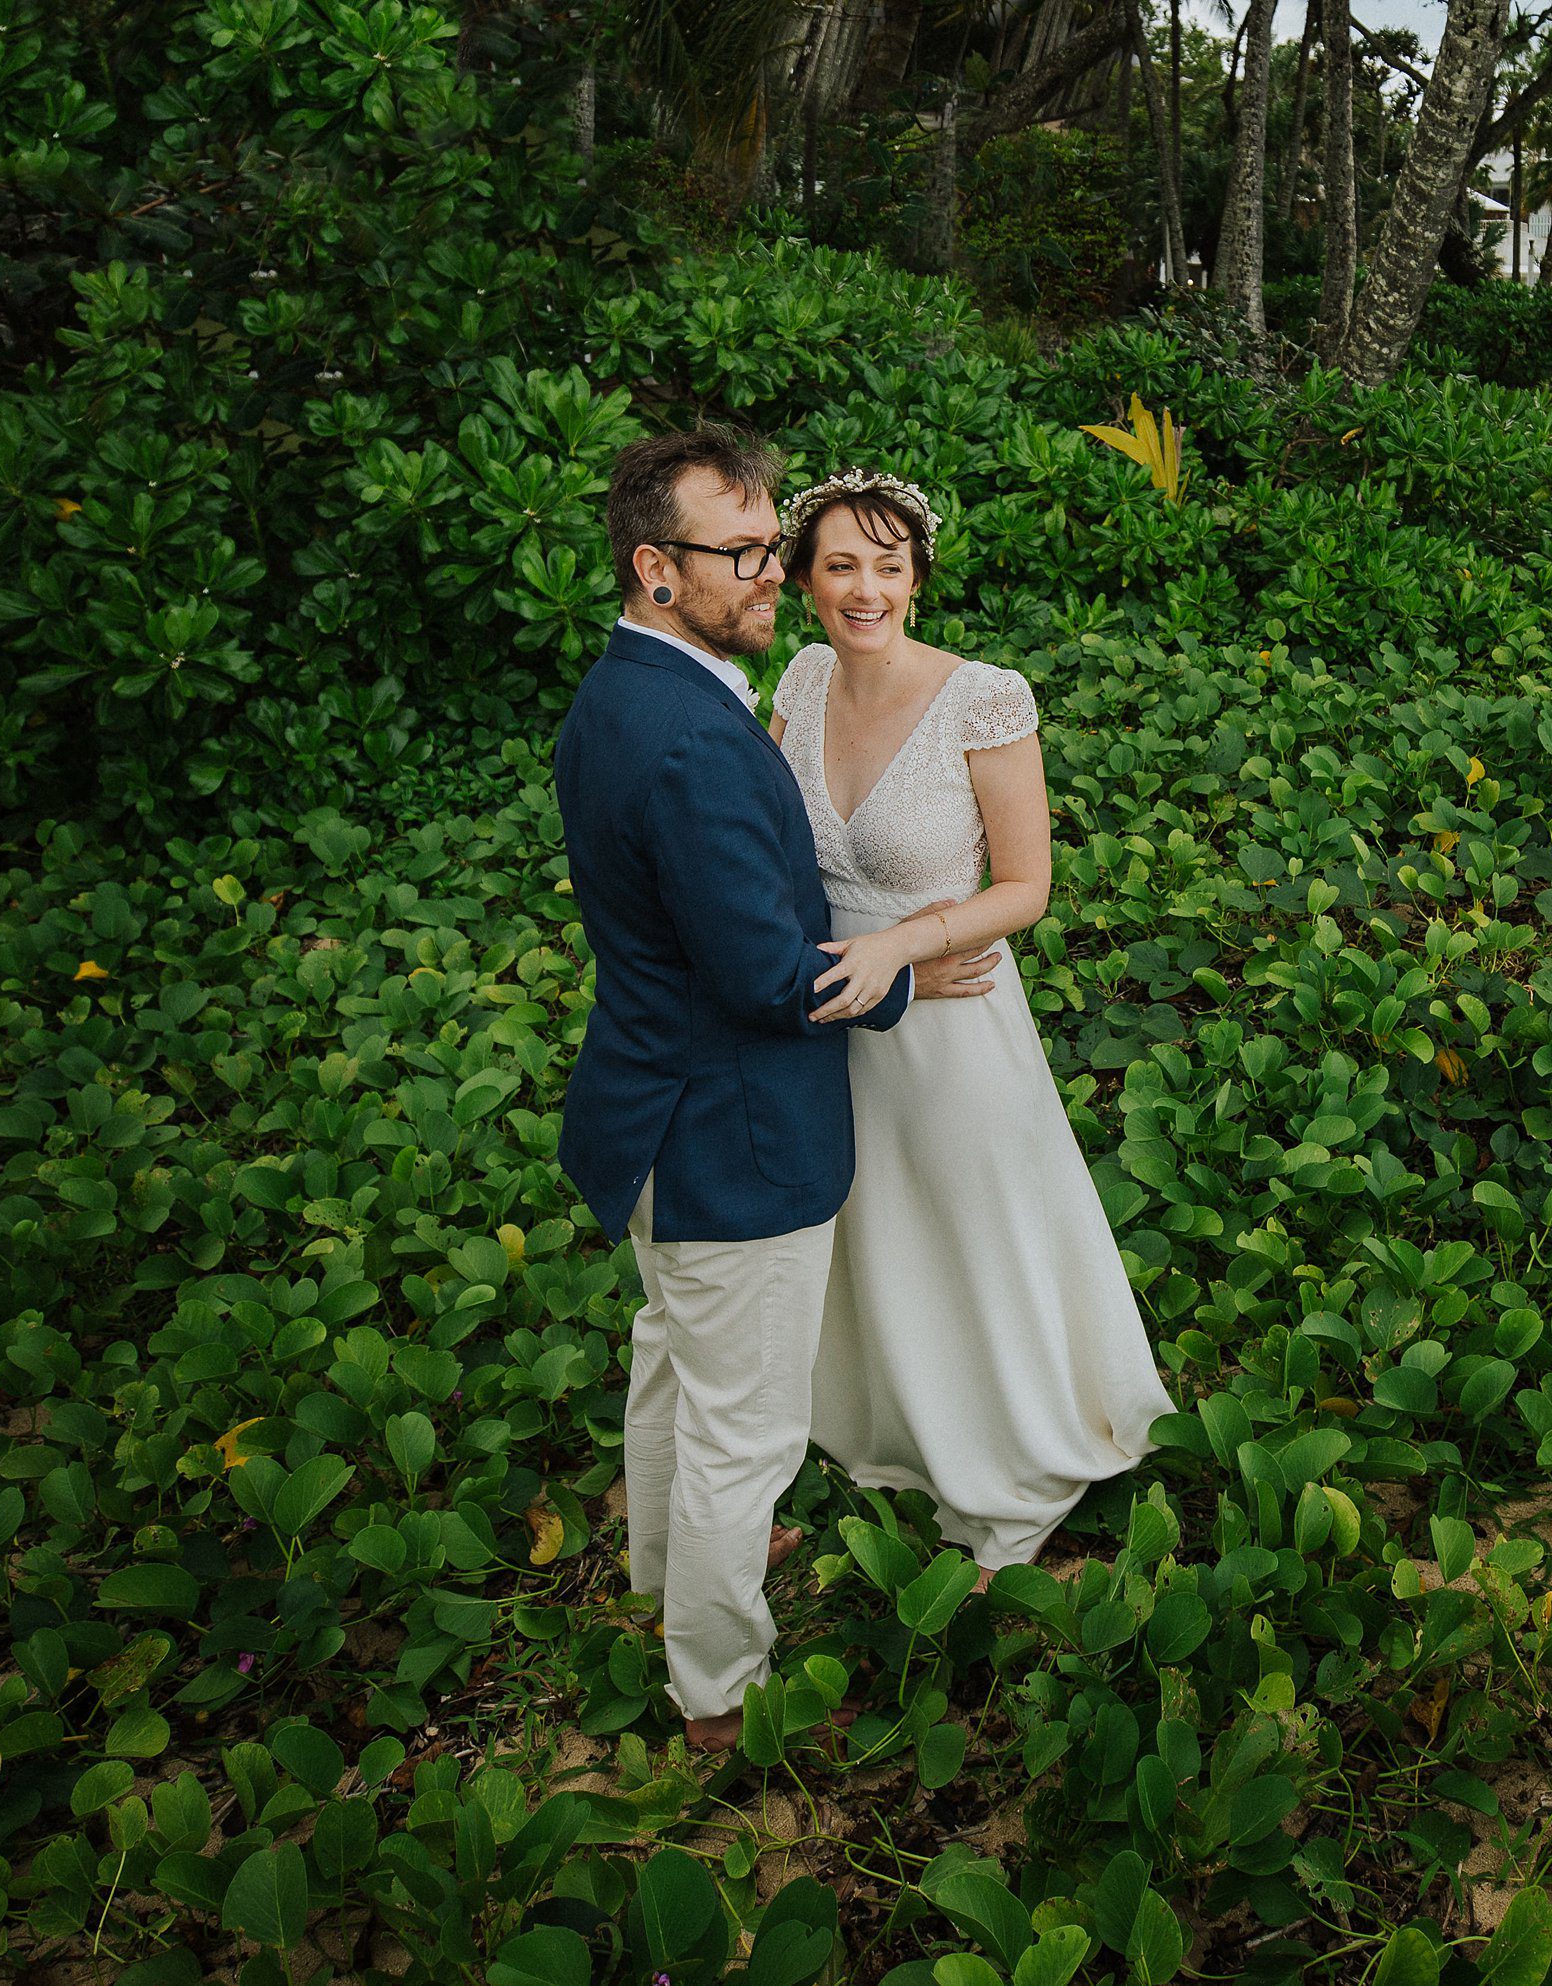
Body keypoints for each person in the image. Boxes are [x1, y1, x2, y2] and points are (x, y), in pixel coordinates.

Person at [551, 426, 994, 1753]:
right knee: (745, 1425)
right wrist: (913, 977)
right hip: (730, 1134)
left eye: (764, 546)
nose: (769, 572)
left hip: (646, 1104)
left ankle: (666, 1575)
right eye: (739, 553)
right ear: (653, 567)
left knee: (672, 1368)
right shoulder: (689, 739)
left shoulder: (623, 693)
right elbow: (762, 978)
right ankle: (718, 1692)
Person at [764, 467, 1176, 1587]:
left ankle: (1015, 1456)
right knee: (868, 1227)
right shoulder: (799, 680)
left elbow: (1027, 885)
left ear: (915, 579)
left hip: (948, 1012)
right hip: (829, 1010)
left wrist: (908, 945)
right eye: (841, 564)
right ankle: (893, 1421)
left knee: (971, 1226)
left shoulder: (982, 696)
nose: (865, 590)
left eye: (887, 568)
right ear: (804, 578)